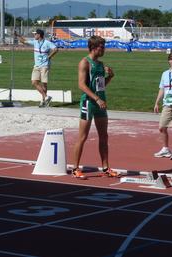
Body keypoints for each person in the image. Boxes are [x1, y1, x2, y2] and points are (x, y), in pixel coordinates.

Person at [71, 36, 120, 179]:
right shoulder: (84, 62)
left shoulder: (100, 64)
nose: (104, 49)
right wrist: (96, 99)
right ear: (94, 47)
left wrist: (110, 77)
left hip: (101, 103)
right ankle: (75, 168)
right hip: (89, 103)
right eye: (102, 47)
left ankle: (105, 168)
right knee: (83, 137)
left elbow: (100, 85)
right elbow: (81, 85)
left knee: (104, 136)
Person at [15, 29, 58, 107]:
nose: (34, 35)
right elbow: (24, 41)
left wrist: (49, 57)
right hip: (36, 66)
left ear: (39, 35)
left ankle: (44, 101)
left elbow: (56, 49)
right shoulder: (35, 42)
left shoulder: (47, 43)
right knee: (34, 82)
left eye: (35, 34)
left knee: (44, 83)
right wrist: (18, 36)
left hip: (45, 66)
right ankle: (46, 97)